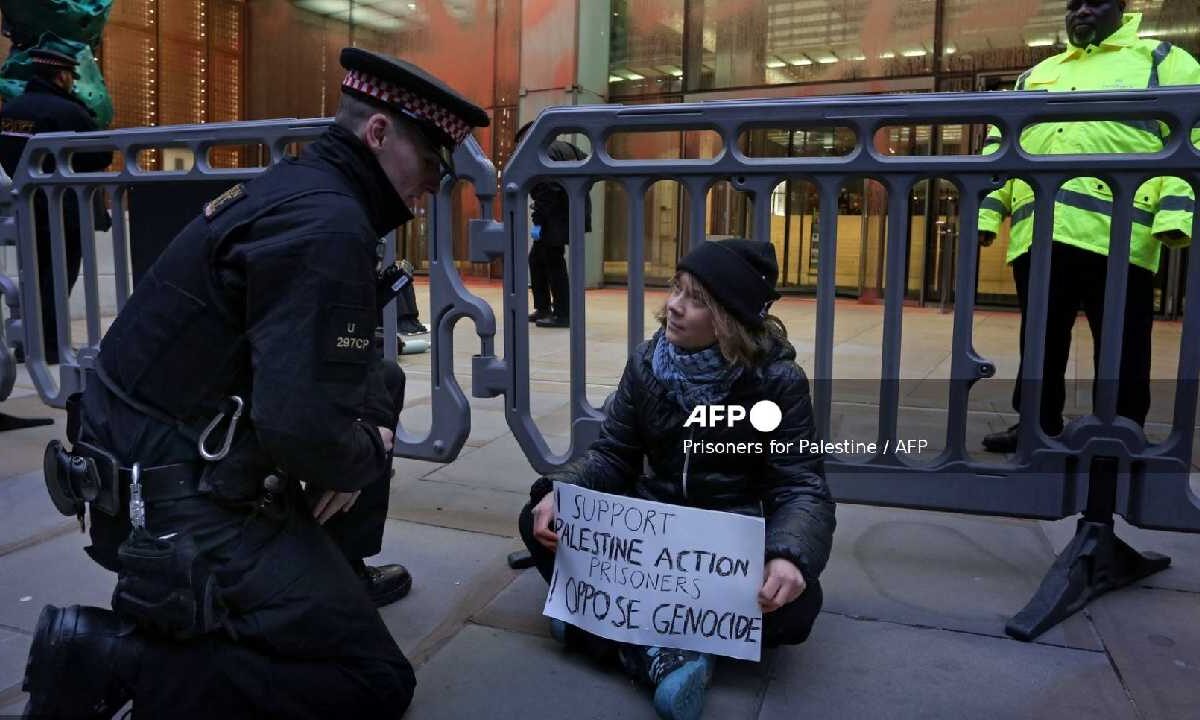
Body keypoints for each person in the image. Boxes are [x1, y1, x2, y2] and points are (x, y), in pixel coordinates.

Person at [21, 48, 488, 719]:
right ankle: (115, 658)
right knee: (372, 679)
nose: (434, 186)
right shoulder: (328, 226)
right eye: (431, 163)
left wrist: (352, 436)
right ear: (379, 132)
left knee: (378, 383)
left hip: (146, 462)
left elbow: (334, 361)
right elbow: (302, 430)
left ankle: (324, 578)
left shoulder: (301, 189)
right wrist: (365, 451)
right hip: (175, 504)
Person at [517, 239, 835, 720]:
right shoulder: (647, 363)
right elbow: (613, 454)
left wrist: (788, 556)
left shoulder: (776, 382)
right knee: (539, 520)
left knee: (798, 606)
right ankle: (669, 649)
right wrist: (564, 491)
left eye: (696, 299)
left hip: (724, 547)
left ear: (728, 319)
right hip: (650, 538)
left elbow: (800, 486)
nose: (674, 306)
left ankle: (602, 630)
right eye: (676, 289)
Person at [978, 2, 1199, 453]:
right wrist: (987, 213)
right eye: (1072, 4)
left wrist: (1175, 215)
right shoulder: (1037, 74)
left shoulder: (1162, 61)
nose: (1081, 11)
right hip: (1040, 232)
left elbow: (1193, 138)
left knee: (1122, 342)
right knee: (1039, 340)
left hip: (1119, 234)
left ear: (1122, 8)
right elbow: (1000, 147)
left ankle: (1121, 430)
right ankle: (1036, 425)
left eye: (1095, 2)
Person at [0, 33, 111, 365]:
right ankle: (49, 346)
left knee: (33, 277)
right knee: (58, 279)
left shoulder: (12, 109)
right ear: (62, 76)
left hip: (25, 206)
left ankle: (29, 344)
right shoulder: (69, 112)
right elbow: (101, 154)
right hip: (64, 208)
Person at [515, 121, 590, 328]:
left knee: (553, 261)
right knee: (538, 258)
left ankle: (562, 313)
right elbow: (589, 166)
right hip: (572, 211)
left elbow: (547, 191)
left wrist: (538, 222)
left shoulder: (541, 152)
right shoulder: (566, 147)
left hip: (554, 217)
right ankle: (544, 308)